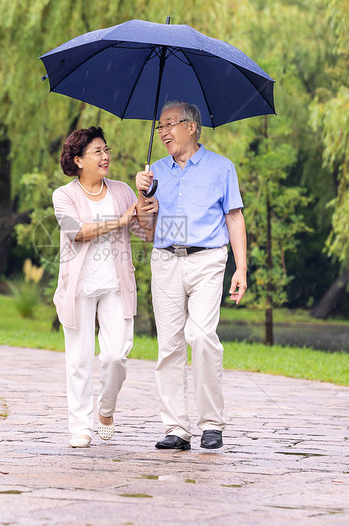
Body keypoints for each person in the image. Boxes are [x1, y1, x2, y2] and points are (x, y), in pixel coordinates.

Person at [135, 101, 247, 451]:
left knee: (200, 336)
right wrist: (143, 199)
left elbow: (234, 218)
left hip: (208, 260)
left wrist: (241, 268)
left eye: (170, 124)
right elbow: (147, 232)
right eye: (160, 127)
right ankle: (176, 429)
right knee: (169, 347)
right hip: (165, 260)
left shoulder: (221, 168)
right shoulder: (154, 173)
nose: (164, 132)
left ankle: (211, 423)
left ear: (192, 127)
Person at [52, 126, 157, 448]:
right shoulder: (64, 195)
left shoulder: (123, 190)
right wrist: (121, 220)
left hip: (115, 284)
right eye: (97, 151)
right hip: (78, 287)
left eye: (106, 149)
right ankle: (80, 427)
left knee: (116, 356)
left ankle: (106, 411)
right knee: (79, 359)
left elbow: (147, 234)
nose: (106, 156)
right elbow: (77, 232)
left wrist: (145, 202)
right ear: (78, 160)